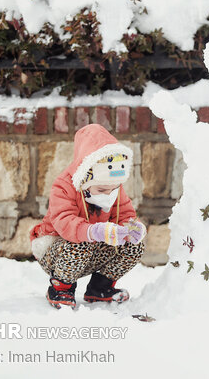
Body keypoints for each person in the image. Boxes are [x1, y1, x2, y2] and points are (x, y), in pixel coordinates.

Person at [30, 124, 146, 309]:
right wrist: (94, 231)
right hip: (58, 250)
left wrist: (132, 227)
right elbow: (65, 222)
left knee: (134, 245)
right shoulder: (63, 186)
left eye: (114, 189)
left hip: (92, 248)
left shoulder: (113, 185)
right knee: (81, 241)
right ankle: (61, 287)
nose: (109, 193)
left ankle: (100, 288)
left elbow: (125, 213)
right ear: (86, 178)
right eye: (101, 189)